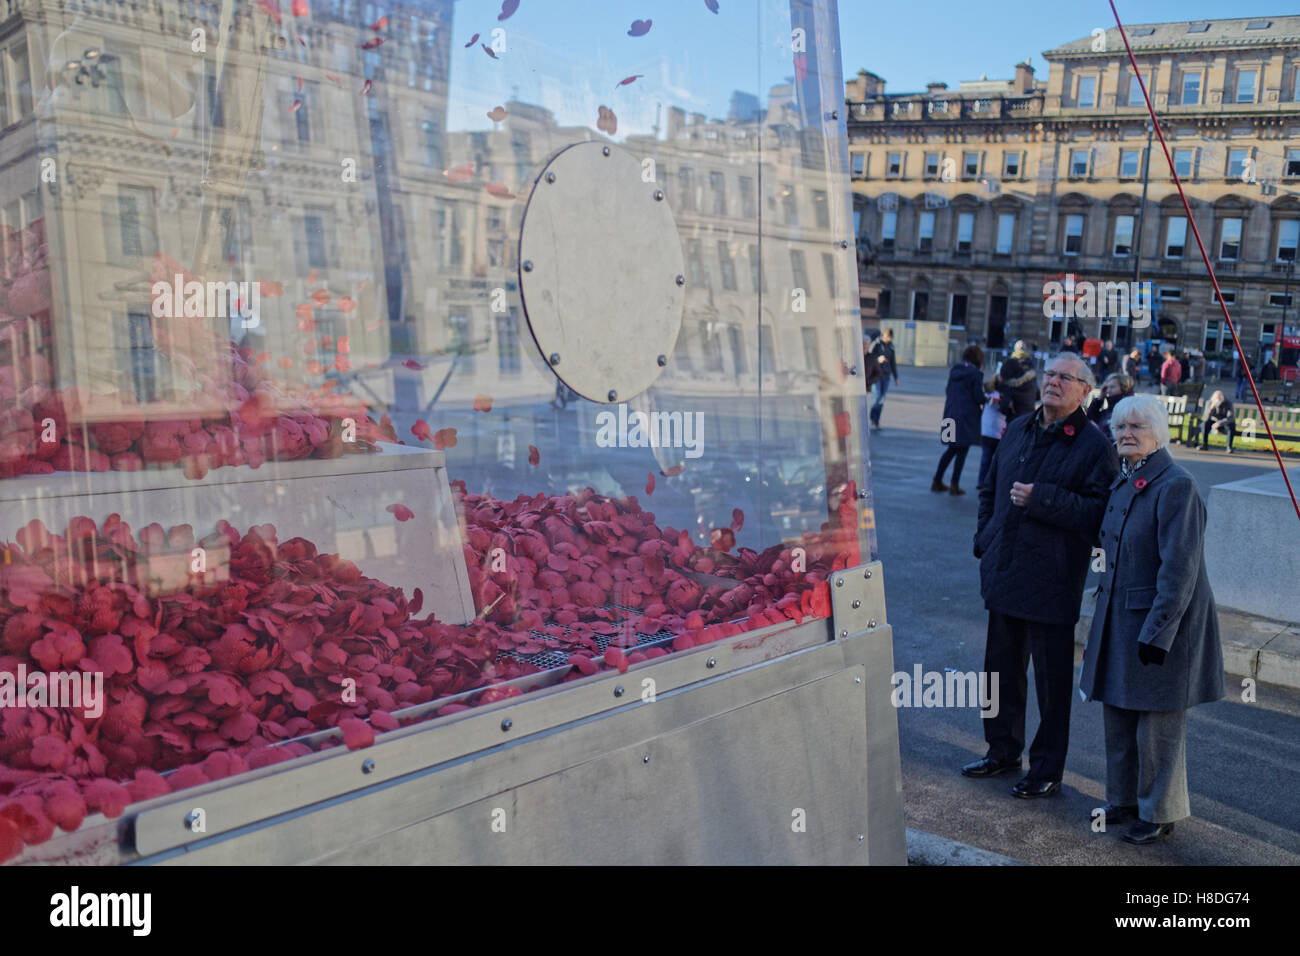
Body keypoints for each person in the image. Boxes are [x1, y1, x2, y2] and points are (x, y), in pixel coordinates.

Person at [963, 354, 1120, 796]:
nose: (1053, 383)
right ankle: (1001, 750)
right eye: (1050, 374)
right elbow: (988, 488)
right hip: (1006, 569)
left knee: (1052, 684)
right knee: (999, 671)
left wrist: (1043, 499)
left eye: (1065, 378)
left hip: (1052, 579)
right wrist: (984, 538)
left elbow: (1099, 515)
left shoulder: (1094, 445)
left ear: (1085, 391)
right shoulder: (1017, 429)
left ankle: (1046, 768)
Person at [1080, 394, 1225, 844]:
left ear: (1157, 434)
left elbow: (1178, 571)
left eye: (1136, 428)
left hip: (1162, 628)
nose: (1125, 434)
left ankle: (1158, 812)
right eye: (1120, 427)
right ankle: (1122, 800)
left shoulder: (1175, 485)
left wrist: (1157, 633)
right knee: (1118, 714)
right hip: (1119, 620)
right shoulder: (1127, 478)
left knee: (1157, 728)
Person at [932, 346, 985, 495]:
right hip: (966, 418)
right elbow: (979, 397)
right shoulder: (975, 374)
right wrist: (986, 397)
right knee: (962, 451)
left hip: (950, 414)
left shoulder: (954, 371)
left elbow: (947, 390)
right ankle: (954, 484)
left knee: (950, 449)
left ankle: (937, 480)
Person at [995, 340, 1039, 424]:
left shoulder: (1010, 386)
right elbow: (1038, 396)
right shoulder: (1031, 377)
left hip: (1015, 421)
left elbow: (1003, 408)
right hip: (1029, 418)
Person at [1087, 373, 1135, 439]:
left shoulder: (1129, 410)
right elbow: (1090, 417)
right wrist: (1101, 398)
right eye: (1106, 388)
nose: (1108, 391)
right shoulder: (1107, 411)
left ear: (1123, 388)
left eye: (1112, 387)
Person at [978, 377, 1007, 489]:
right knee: (988, 459)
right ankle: (983, 482)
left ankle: (985, 482)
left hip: (994, 430)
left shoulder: (992, 393)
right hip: (991, 431)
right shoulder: (990, 393)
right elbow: (996, 405)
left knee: (988, 459)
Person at [868, 328, 899, 430]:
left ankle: (876, 421)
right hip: (876, 375)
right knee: (876, 397)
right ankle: (872, 418)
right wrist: (878, 359)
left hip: (886, 376)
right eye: (887, 337)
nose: (888, 339)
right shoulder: (876, 344)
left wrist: (896, 377)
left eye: (890, 337)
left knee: (881, 399)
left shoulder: (891, 347)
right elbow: (870, 356)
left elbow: (893, 363)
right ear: (883, 336)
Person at [1198, 389, 1237, 454]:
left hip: (1224, 423)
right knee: (1204, 424)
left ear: (1223, 397)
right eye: (1217, 397)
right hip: (1213, 423)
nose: (1219, 398)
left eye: (1220, 396)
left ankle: (1229, 447)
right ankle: (1204, 445)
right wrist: (1212, 407)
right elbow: (1206, 417)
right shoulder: (1209, 403)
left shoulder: (1228, 403)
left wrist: (1219, 423)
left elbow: (1230, 417)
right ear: (1213, 397)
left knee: (1231, 426)